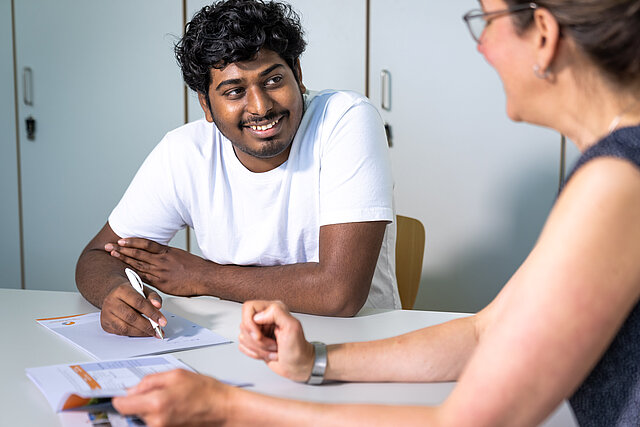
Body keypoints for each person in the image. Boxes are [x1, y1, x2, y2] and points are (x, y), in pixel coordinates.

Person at [112, 0, 640, 425]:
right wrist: (315, 360)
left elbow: (464, 422)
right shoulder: (614, 166)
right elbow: (487, 333)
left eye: (486, 18)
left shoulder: (618, 182)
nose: (481, 45)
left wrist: (227, 408)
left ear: (543, 34)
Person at [75, 0, 401, 337]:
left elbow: (339, 293)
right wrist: (114, 293)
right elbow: (98, 255)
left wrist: (202, 276)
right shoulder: (185, 151)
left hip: (355, 343)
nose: (261, 107)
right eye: (235, 91)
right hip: (234, 341)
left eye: (273, 80)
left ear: (298, 75)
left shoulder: (344, 120)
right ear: (206, 103)